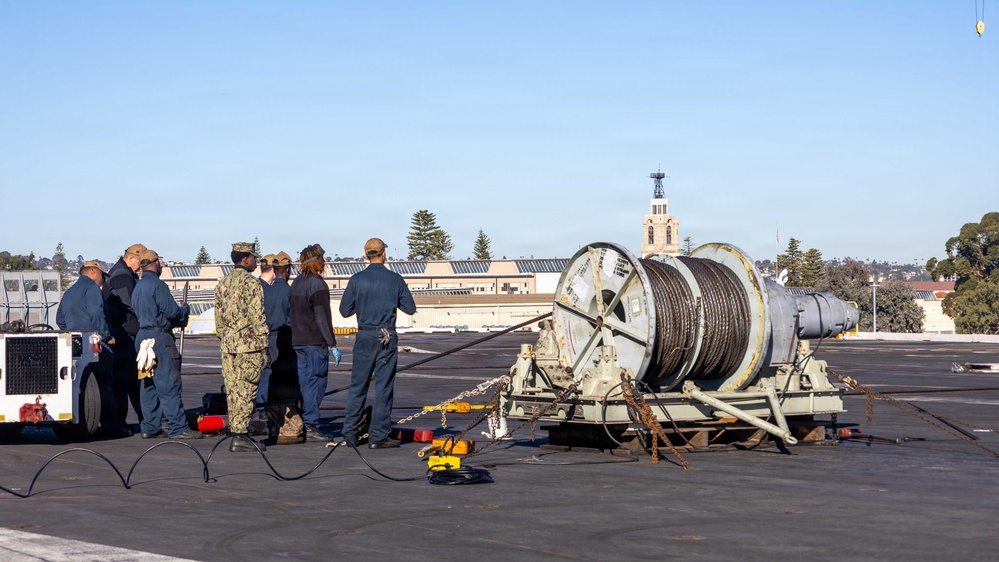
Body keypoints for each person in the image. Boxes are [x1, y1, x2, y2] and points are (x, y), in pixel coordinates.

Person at [339, 238, 416, 449]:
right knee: (383, 387)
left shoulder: (356, 280)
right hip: (386, 337)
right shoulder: (395, 279)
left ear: (366, 256)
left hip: (364, 336)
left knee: (357, 387)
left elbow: (345, 311)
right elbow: (410, 308)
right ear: (384, 255)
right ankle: (378, 436)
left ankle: (349, 434)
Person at [132, 249, 201, 440]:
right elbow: (171, 311)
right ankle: (178, 427)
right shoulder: (157, 285)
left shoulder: (138, 286)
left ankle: (150, 426)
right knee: (168, 382)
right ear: (155, 264)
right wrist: (184, 312)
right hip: (158, 337)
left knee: (148, 384)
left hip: (143, 337)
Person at [57, 261, 129, 438]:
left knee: (79, 387)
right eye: (101, 276)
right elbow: (97, 313)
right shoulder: (92, 290)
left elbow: (60, 319)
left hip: (73, 345)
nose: (103, 280)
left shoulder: (69, 292)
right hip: (95, 344)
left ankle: (85, 423)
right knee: (104, 385)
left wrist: (73, 331)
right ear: (92, 271)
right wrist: (106, 336)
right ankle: (111, 428)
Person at [214, 242, 269, 452]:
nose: (255, 262)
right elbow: (258, 317)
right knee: (247, 390)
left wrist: (227, 338)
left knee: (233, 391)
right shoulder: (252, 283)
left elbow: (218, 321)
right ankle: (240, 434)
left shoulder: (223, 284)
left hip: (228, 346)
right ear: (245, 259)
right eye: (253, 258)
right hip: (248, 346)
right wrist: (265, 347)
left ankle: (237, 430)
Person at [289, 243, 341, 442]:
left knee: (304, 383)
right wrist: (332, 343)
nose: (325, 262)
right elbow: (321, 317)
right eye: (322, 258)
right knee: (316, 383)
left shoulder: (296, 284)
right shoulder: (317, 284)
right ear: (316, 261)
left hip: (298, 342)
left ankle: (304, 422)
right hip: (313, 343)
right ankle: (311, 423)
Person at [102, 243, 146, 430]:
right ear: (131, 258)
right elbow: (129, 304)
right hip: (124, 334)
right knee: (126, 381)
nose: (142, 266)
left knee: (130, 381)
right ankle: (125, 421)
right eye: (141, 262)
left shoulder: (124, 273)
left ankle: (140, 419)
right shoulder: (122, 276)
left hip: (124, 332)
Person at [259, 251, 295, 406]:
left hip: (267, 338)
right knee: (286, 379)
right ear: (287, 270)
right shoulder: (290, 292)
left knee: (267, 377)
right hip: (284, 339)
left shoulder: (265, 291)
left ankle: (265, 411)